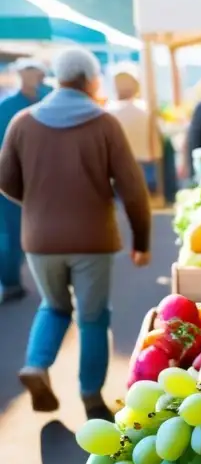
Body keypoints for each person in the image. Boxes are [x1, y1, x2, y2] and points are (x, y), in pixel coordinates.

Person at [0, 47, 150, 419]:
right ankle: (91, 397)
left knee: (53, 306)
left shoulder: (23, 121)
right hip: (93, 240)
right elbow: (132, 189)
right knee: (93, 316)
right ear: (90, 80)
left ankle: (37, 365)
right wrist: (142, 241)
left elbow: (5, 180)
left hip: (39, 240)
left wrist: (36, 207)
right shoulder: (103, 123)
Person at [0, 58, 50, 303]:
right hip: (14, 179)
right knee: (11, 232)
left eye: (36, 72)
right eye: (27, 72)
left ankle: (55, 280)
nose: (32, 77)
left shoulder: (50, 99)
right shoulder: (7, 106)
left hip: (46, 179)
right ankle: (11, 282)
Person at [107, 71, 158, 195]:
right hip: (146, 166)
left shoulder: (109, 113)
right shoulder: (146, 110)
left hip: (118, 170)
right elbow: (156, 145)